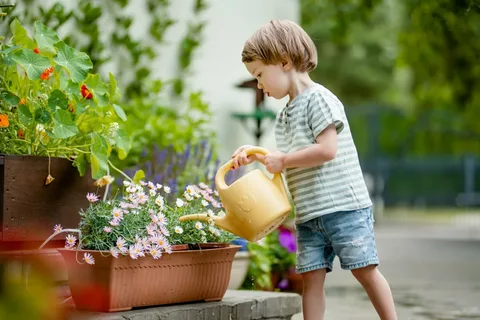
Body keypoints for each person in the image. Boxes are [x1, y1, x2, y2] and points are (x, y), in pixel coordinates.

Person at [231, 19, 397, 320]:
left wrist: (282, 159)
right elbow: (292, 157)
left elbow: (326, 150)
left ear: (283, 61)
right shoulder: (284, 116)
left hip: (344, 208)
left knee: (365, 270)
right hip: (310, 214)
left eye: (259, 75)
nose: (259, 85)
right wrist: (259, 155)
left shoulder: (318, 99)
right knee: (310, 279)